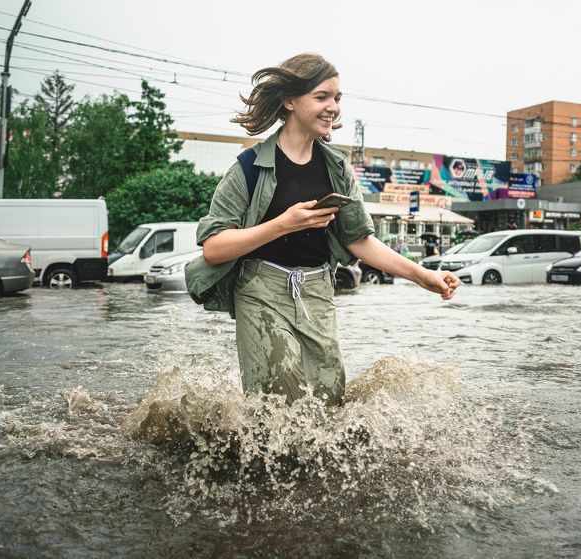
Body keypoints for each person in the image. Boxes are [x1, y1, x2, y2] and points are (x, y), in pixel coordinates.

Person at [185, 53, 460, 406]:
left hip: (317, 292)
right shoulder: (249, 167)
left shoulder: (338, 169)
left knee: (328, 398)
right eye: (322, 97)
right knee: (278, 395)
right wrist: (282, 224)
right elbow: (214, 248)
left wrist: (423, 276)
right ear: (290, 101)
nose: (333, 107)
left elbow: (360, 239)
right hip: (259, 289)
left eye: (337, 98)